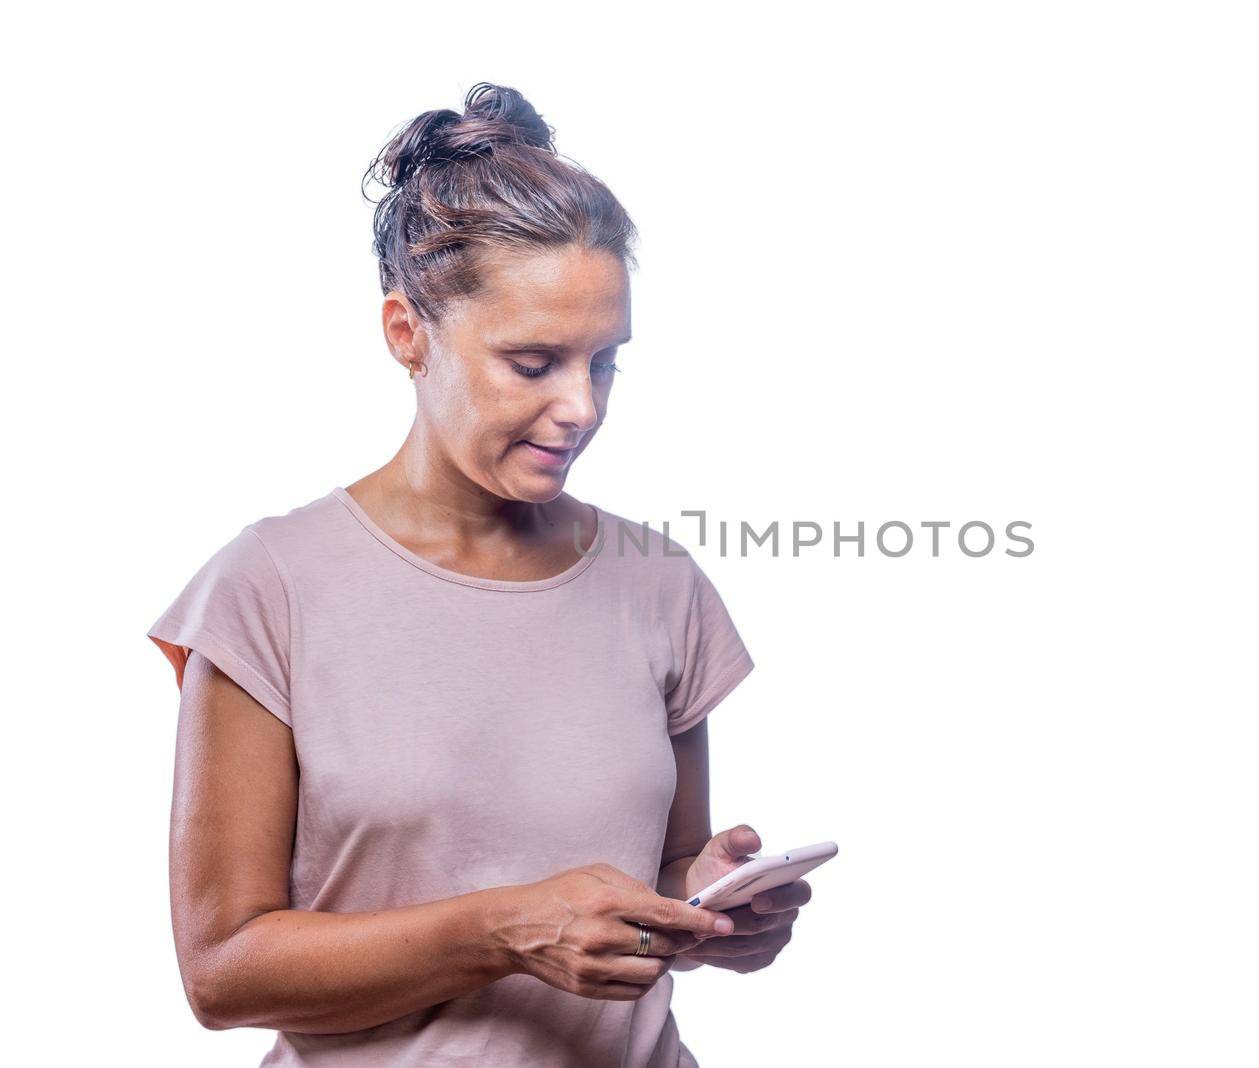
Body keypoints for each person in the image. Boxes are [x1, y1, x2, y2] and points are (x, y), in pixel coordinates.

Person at [146, 81, 811, 1067]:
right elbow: (221, 973)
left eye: (605, 363)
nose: (582, 407)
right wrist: (504, 930)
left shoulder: (659, 584)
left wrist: (707, 902)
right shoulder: (268, 589)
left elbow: (656, 873)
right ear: (407, 334)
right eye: (534, 362)